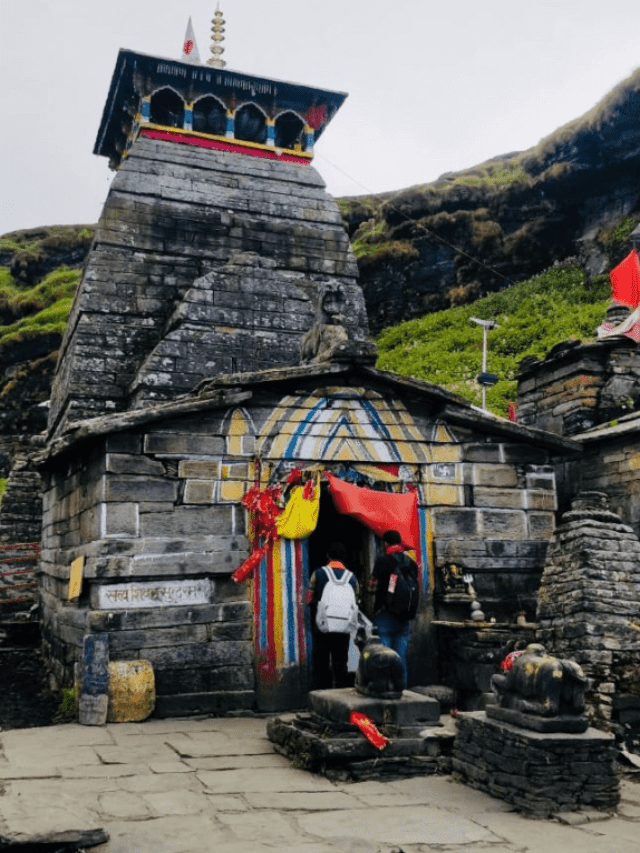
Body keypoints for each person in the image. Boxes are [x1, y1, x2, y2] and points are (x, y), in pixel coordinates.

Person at [368, 529, 419, 682]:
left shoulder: (383, 562)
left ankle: (385, 686)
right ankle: (401, 686)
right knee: (400, 655)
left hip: (385, 614)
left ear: (385, 544)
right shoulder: (411, 563)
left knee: (384, 654)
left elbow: (372, 588)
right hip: (405, 615)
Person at [307, 541, 359, 689]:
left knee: (321, 661)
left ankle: (321, 692)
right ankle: (341, 691)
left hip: (322, 625)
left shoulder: (317, 574)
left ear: (328, 556)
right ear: (344, 557)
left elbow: (308, 599)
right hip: (343, 625)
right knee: (341, 661)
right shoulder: (352, 578)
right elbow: (356, 600)